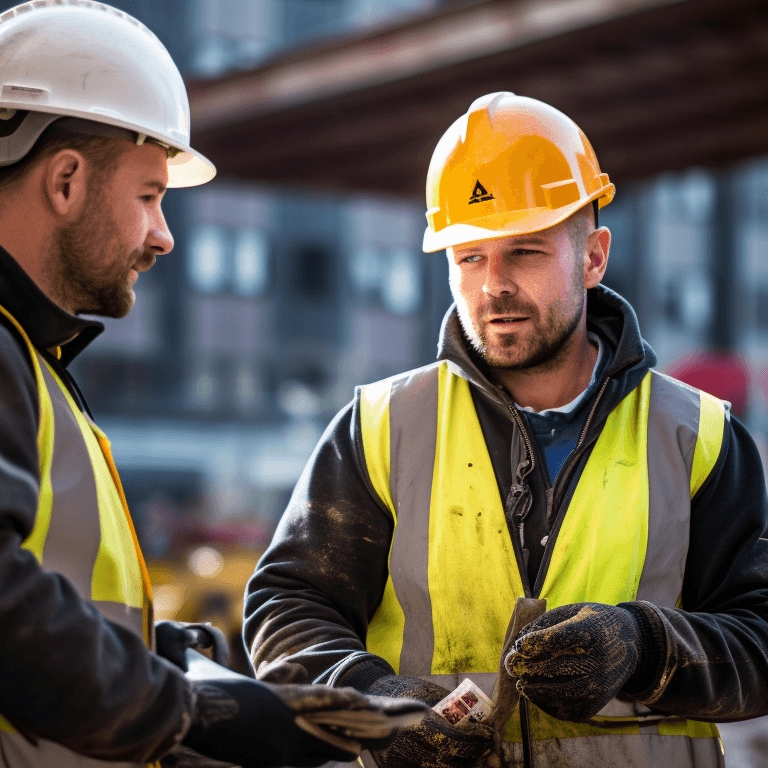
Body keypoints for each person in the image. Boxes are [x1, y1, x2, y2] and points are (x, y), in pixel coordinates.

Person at [244, 91, 768, 768]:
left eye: (524, 252)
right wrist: (374, 704)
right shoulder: (381, 429)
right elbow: (287, 611)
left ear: (594, 256)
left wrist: (644, 647)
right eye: (469, 257)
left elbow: (760, 637)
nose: (493, 286)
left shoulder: (697, 437)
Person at [0, 3, 422, 767]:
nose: (163, 236)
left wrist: (162, 657)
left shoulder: (33, 358)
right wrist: (189, 710)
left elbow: (50, 597)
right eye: (149, 197)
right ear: (65, 181)